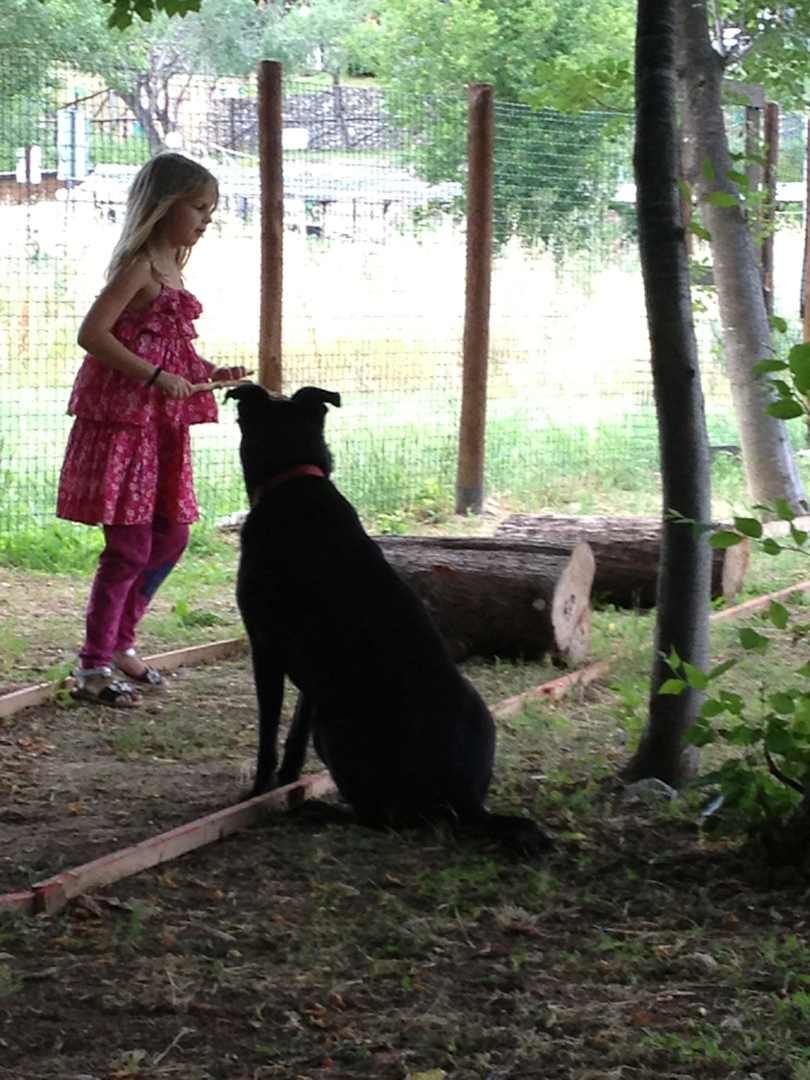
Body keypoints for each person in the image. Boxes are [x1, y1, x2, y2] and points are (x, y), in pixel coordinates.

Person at [57, 152, 247, 707]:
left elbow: (165, 347)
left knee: (172, 535)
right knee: (128, 546)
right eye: (199, 207)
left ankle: (121, 642)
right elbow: (93, 334)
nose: (206, 220)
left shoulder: (173, 270)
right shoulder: (138, 266)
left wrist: (209, 371)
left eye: (211, 210)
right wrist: (157, 377)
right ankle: (92, 666)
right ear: (164, 206)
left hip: (160, 426)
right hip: (124, 426)